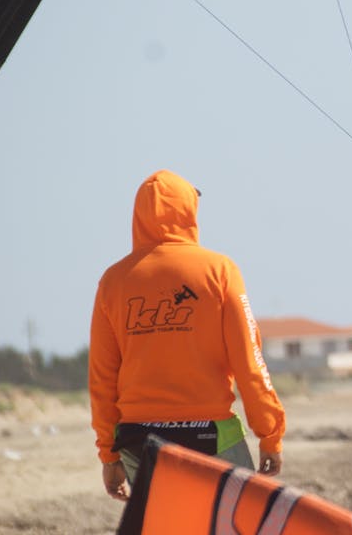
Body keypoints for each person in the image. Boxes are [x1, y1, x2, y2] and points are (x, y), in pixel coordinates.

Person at [89, 169, 286, 502]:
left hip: (139, 439)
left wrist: (109, 454)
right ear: (188, 210)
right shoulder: (219, 271)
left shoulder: (113, 281)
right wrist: (270, 435)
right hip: (212, 434)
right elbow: (249, 361)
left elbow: (102, 379)